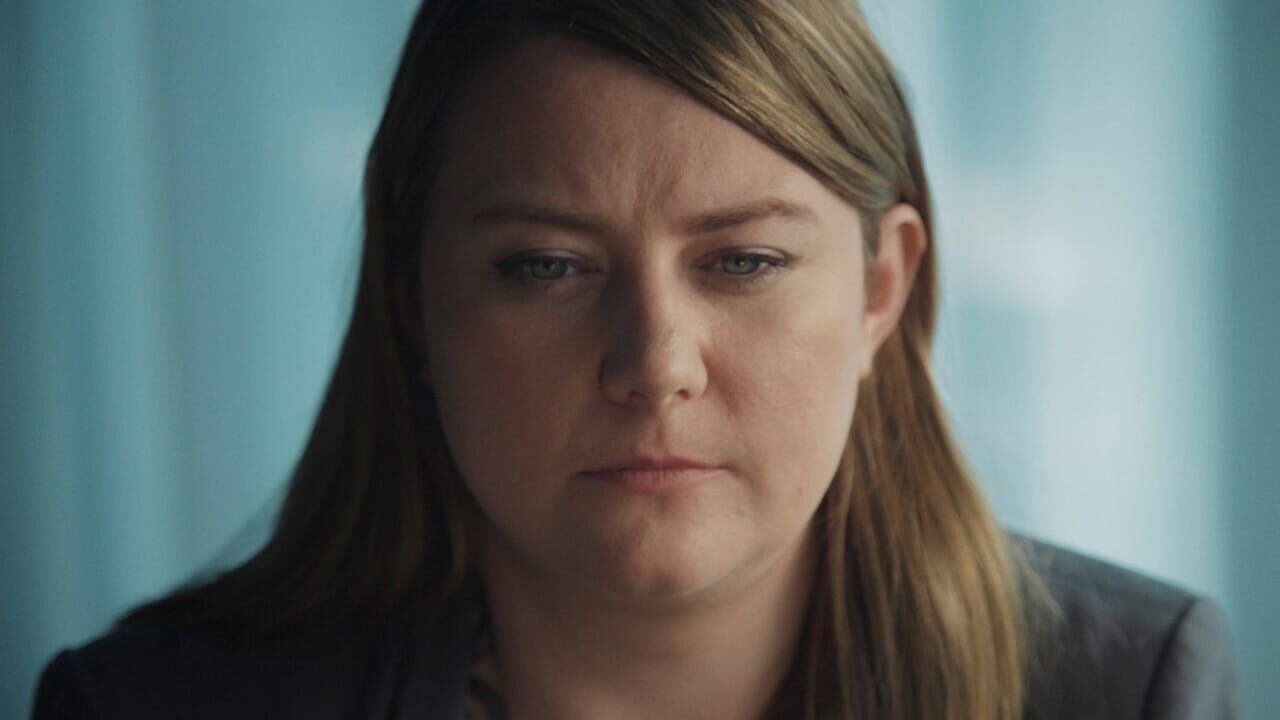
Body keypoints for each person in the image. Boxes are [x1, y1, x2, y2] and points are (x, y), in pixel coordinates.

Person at [31, 1, 1240, 718]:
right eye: (545, 266)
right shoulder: (147, 710)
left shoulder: (1127, 692)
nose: (655, 365)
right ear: (411, 301)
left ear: (881, 287)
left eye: (744, 261)